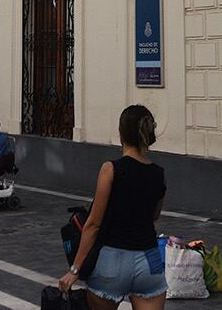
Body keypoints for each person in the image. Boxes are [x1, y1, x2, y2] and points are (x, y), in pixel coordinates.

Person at [58, 105, 167, 309]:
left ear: (121, 134)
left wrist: (75, 270)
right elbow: (154, 215)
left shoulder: (111, 169)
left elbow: (93, 225)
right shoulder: (158, 173)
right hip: (149, 261)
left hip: (113, 261)